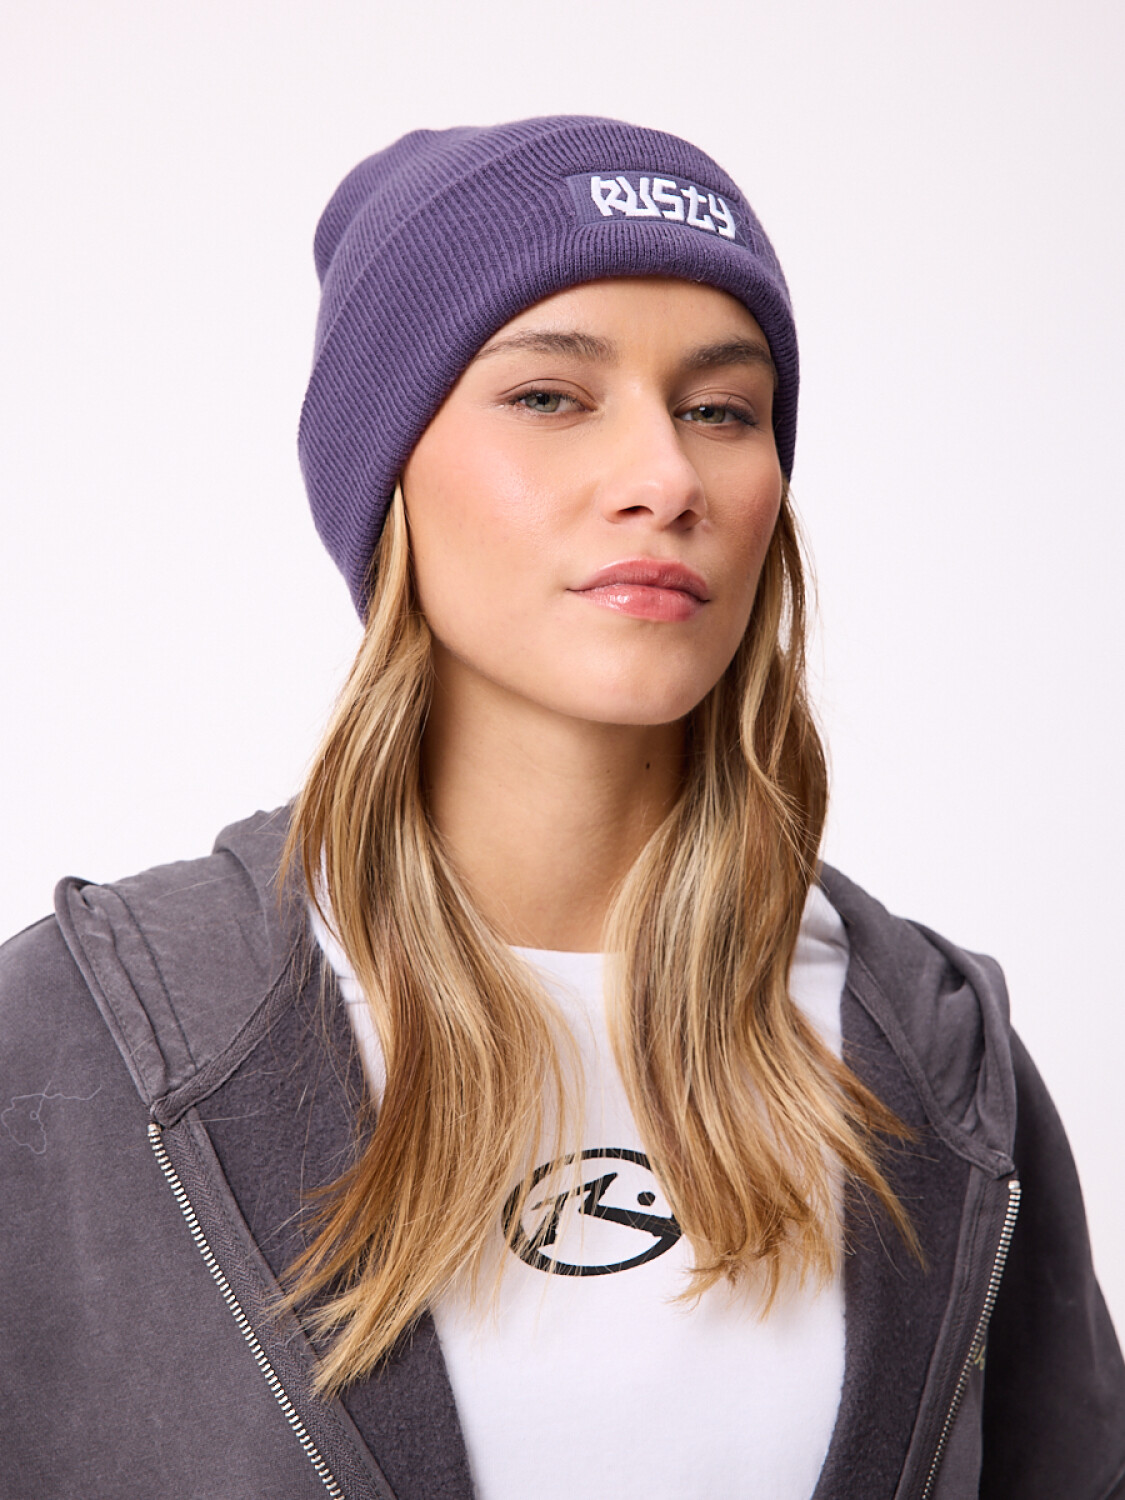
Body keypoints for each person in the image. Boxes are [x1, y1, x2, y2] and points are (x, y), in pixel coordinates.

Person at [0, 116, 1122, 1500]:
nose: (665, 479)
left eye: (722, 410)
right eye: (549, 396)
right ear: (387, 474)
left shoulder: (938, 1068)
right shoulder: (81, 1044)